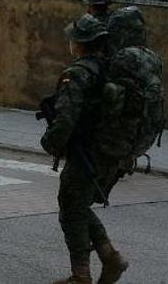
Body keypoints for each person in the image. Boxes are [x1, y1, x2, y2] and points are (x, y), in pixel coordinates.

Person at [40, 15, 128, 284]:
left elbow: (67, 117)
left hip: (85, 152)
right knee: (78, 205)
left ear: (79, 44)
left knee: (71, 209)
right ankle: (110, 257)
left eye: (73, 39)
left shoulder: (77, 74)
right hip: (106, 151)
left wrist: (50, 143)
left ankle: (81, 276)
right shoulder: (105, 69)